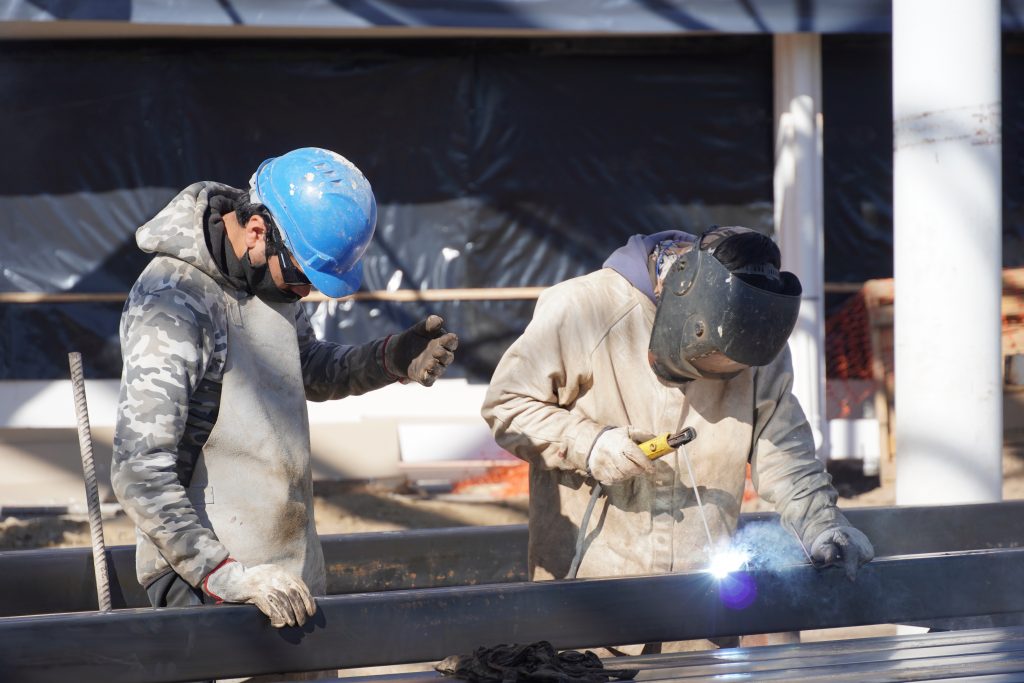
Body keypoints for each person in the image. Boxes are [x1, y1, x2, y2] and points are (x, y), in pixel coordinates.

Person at [111, 147, 459, 637]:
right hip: (206, 581)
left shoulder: (265, 281)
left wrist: (389, 359)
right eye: (301, 277)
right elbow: (139, 472)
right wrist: (226, 576)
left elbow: (305, 368)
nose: (304, 293)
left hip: (285, 565)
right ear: (257, 231)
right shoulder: (173, 301)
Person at [481, 226, 873, 653]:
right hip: (590, 607)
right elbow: (507, 405)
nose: (717, 378)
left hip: (700, 612)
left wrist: (821, 522)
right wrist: (589, 444)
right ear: (677, 297)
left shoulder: (760, 337)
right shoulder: (584, 309)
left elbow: (785, 453)